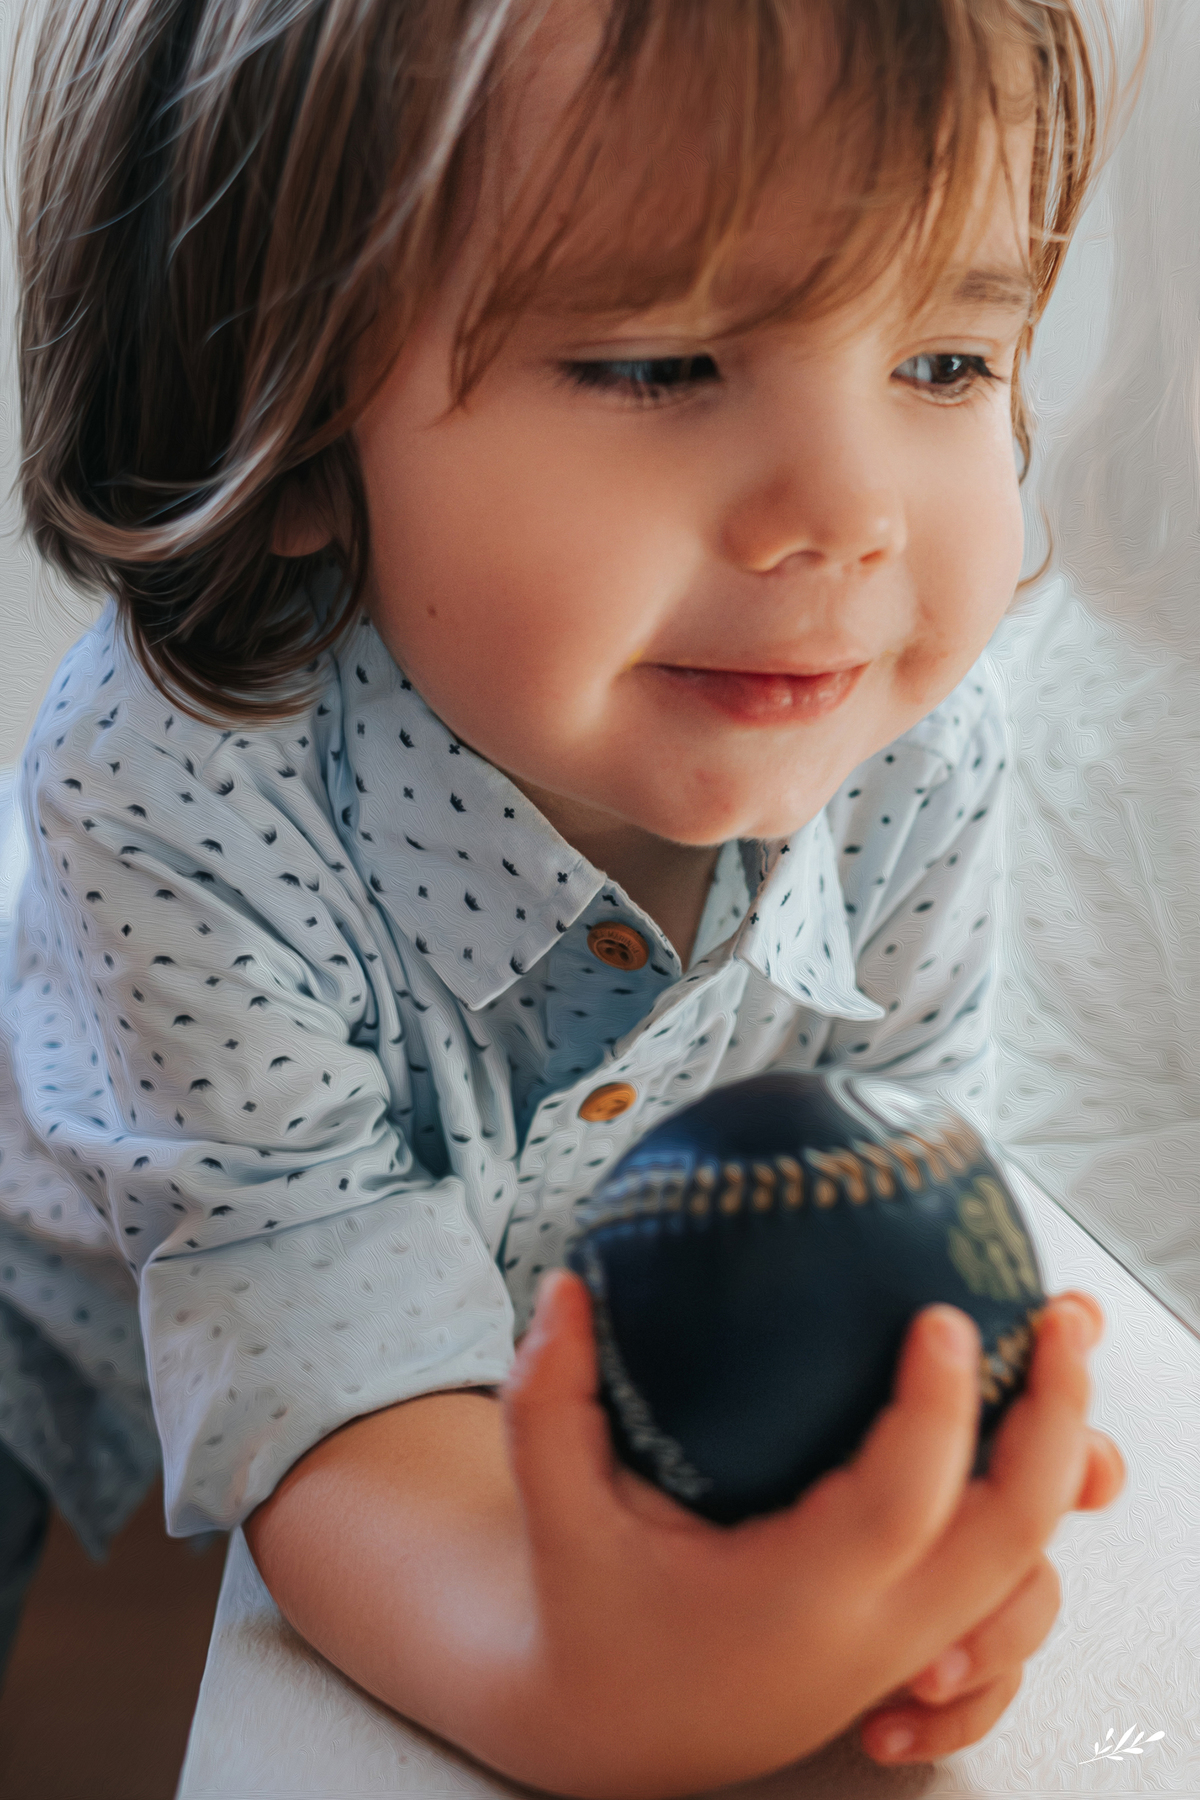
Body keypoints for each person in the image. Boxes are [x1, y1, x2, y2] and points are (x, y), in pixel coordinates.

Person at [3, 0, 1127, 1787]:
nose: (848, 518)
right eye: (662, 365)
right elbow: (315, 1347)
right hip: (82, 1293)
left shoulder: (918, 745)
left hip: (533, 1298)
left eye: (944, 364)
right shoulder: (166, 779)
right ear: (285, 426)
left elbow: (888, 1145)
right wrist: (581, 1679)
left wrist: (887, 1514)